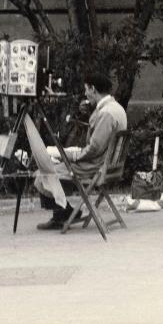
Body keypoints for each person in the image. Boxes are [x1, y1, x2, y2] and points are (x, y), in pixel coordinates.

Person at [35, 72, 127, 230]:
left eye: (86, 89)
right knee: (52, 164)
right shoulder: (115, 108)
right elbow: (98, 143)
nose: (85, 93)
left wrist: (67, 155)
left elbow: (93, 149)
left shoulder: (106, 114)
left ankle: (63, 214)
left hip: (95, 167)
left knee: (43, 171)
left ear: (93, 89)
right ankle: (65, 212)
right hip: (106, 164)